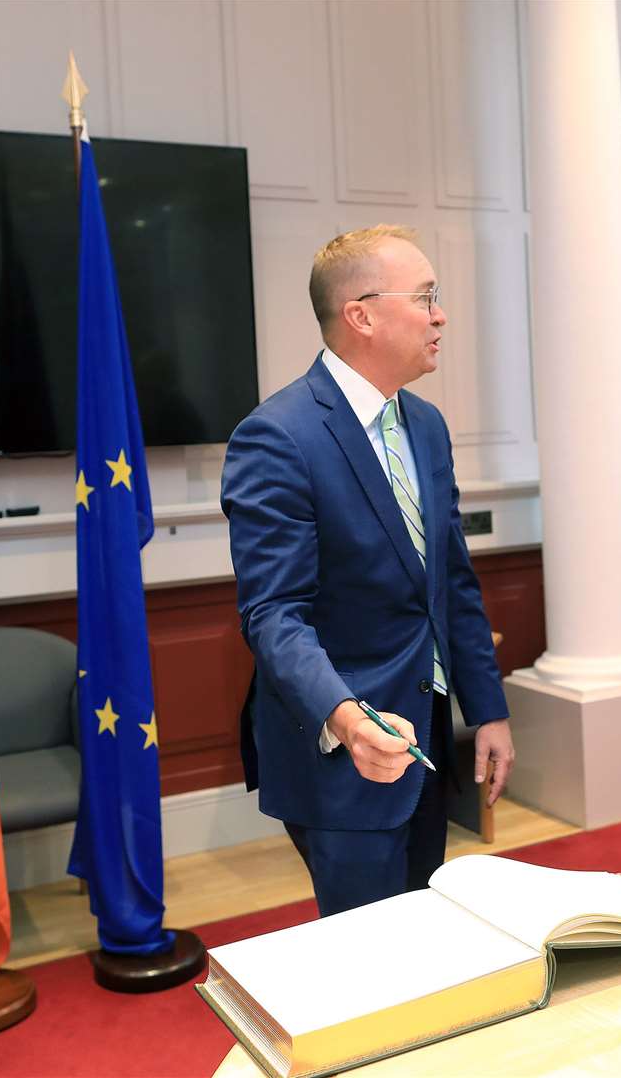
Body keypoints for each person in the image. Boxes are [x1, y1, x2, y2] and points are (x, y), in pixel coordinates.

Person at [221, 224, 515, 917]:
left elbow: (451, 584)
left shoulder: (427, 425)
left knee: (421, 930)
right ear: (362, 315)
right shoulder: (278, 436)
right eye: (426, 297)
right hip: (342, 749)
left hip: (428, 736)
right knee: (367, 963)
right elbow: (273, 615)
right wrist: (348, 718)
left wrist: (488, 709)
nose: (440, 315)